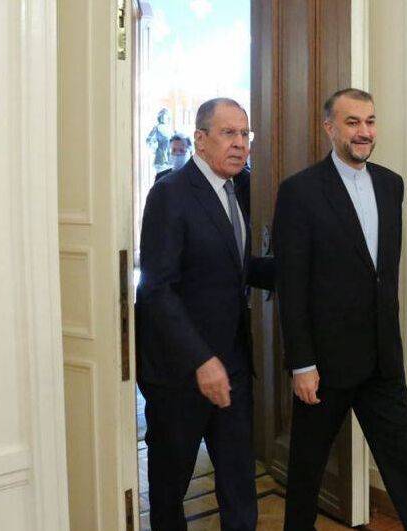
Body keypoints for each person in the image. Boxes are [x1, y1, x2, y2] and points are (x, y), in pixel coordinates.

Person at [273, 88, 407, 531]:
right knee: (307, 472)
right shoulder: (300, 192)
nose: (364, 132)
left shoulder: (391, 184)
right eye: (352, 122)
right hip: (323, 367)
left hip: (382, 361)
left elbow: (381, 274)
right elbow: (292, 286)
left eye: (370, 121)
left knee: (405, 467)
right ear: (330, 128)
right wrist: (302, 363)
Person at [136, 97, 273, 531]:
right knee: (169, 489)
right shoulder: (170, 193)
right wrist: (201, 359)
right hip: (180, 372)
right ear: (199, 138)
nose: (240, 144)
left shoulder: (243, 187)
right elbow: (156, 289)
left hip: (233, 365)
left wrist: (295, 270)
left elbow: (233, 266)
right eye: (228, 133)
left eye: (245, 134)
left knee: (238, 482)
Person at [146, 108, 174, 172]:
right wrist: (155, 147)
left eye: (166, 116)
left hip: (169, 159)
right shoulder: (156, 128)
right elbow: (149, 140)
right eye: (163, 116)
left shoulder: (169, 129)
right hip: (160, 158)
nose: (165, 118)